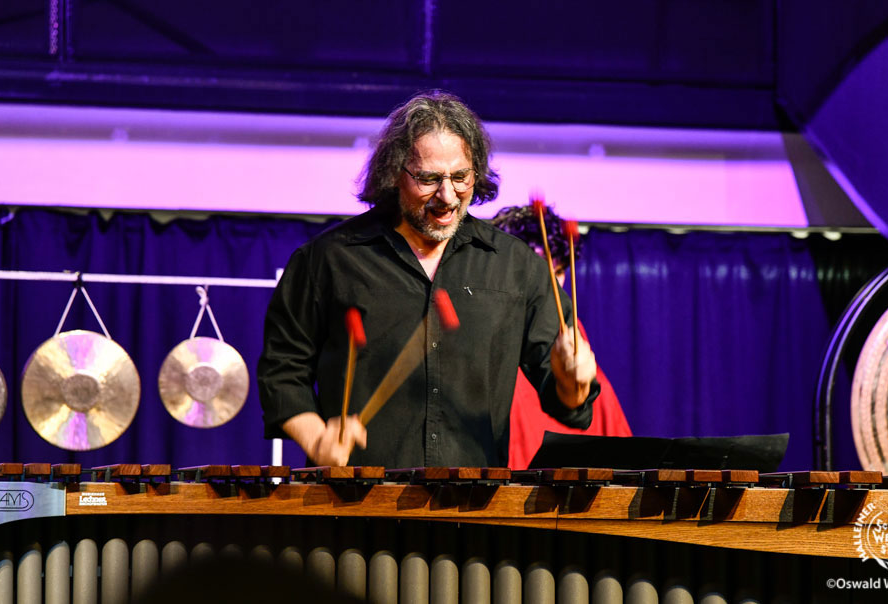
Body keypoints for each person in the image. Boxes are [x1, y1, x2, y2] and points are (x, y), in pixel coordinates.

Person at [256, 91, 599, 468]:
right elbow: (282, 370)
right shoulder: (328, 260)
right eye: (429, 178)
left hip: (471, 500)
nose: (447, 196)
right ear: (394, 172)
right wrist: (315, 437)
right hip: (356, 495)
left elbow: (570, 404)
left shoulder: (518, 267)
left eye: (460, 177)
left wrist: (573, 382)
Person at [492, 204, 632, 470]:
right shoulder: (489, 338)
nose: (550, 287)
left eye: (558, 272)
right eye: (539, 274)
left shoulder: (574, 341)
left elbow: (619, 453)